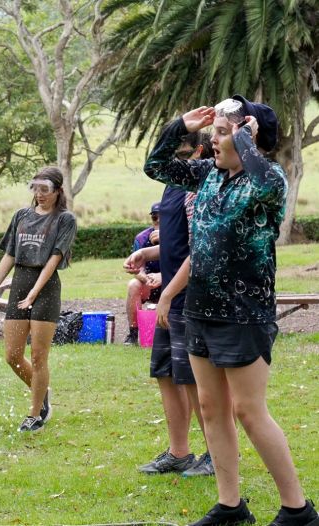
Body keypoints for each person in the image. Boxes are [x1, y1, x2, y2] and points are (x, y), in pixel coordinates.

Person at [144, 96, 317, 526]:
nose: (213, 141)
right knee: (210, 407)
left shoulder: (268, 179)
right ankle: (230, 505)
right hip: (201, 308)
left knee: (248, 410)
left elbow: (261, 173)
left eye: (223, 133)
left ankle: (298, 510)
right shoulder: (207, 175)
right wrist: (179, 127)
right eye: (215, 132)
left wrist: (243, 134)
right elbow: (156, 166)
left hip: (245, 312)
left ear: (249, 135)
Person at [126, 131, 216, 477]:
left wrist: (169, 285)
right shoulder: (173, 182)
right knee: (167, 372)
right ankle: (179, 452)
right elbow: (177, 241)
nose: (173, 158)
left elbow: (201, 248)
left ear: (199, 150)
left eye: (181, 150)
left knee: (193, 378)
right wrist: (147, 253)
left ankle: (213, 452)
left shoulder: (202, 183)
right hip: (172, 293)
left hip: (187, 295)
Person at [0, 167, 77, 433]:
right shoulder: (21, 216)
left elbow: (55, 258)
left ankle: (35, 414)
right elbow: (10, 254)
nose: (40, 194)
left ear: (57, 191)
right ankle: (42, 390)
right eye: (36, 188)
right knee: (12, 355)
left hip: (45, 288)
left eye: (45, 189)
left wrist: (35, 291)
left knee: (38, 355)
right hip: (19, 284)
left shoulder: (65, 219)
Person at [123, 203, 161, 345]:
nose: (158, 221)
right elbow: (137, 269)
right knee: (133, 285)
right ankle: (133, 334)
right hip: (149, 283)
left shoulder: (179, 235)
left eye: (162, 217)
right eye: (155, 217)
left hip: (174, 282)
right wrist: (146, 278)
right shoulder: (142, 238)